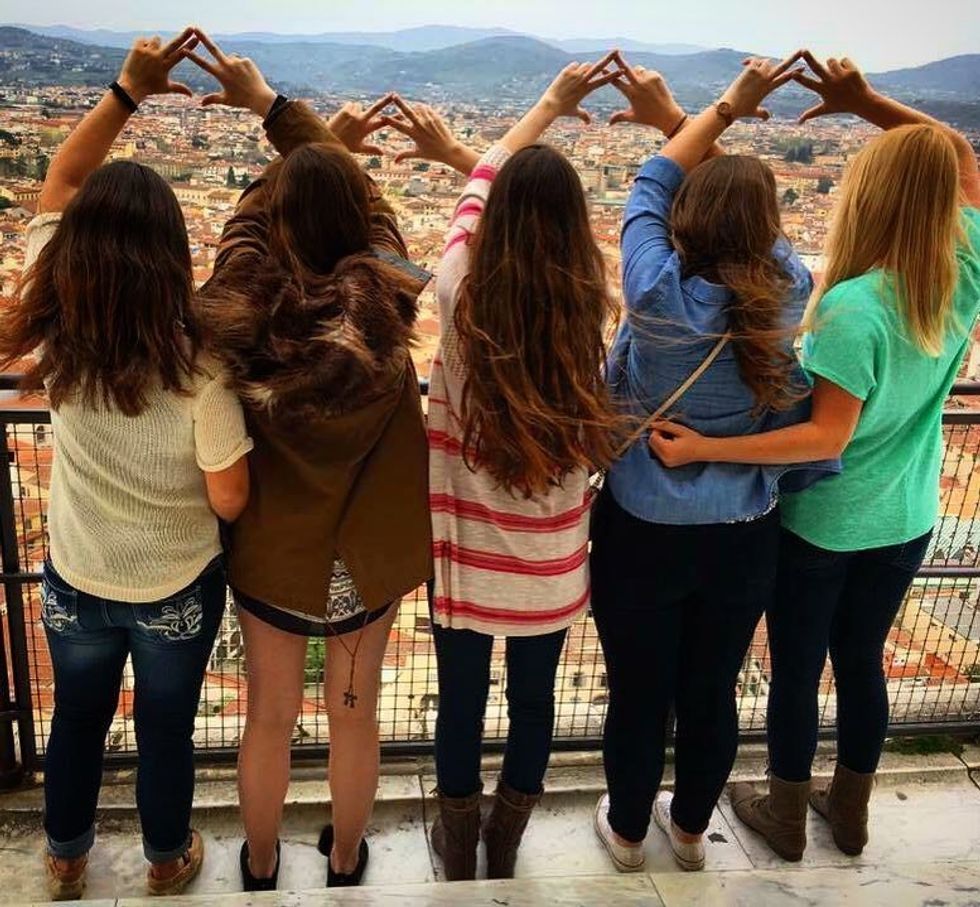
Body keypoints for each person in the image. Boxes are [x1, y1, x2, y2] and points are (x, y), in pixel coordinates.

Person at [649, 52, 980, 862]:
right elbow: (961, 159)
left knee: (797, 668)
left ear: (869, 197)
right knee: (862, 662)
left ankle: (789, 812)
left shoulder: (853, 308)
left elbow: (824, 438)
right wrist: (864, 100)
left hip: (826, 521)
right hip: (907, 514)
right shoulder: (964, 268)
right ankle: (851, 812)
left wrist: (707, 446)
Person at [0, 30, 253, 900]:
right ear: (172, 256)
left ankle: (66, 856)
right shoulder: (200, 367)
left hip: (77, 572)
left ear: (78, 250)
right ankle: (166, 859)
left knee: (76, 718)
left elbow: (60, 182)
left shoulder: (56, 326)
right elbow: (230, 495)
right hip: (175, 583)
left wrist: (128, 87)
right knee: (165, 729)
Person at [184, 32, 432, 890]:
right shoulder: (392, 295)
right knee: (354, 716)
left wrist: (270, 131)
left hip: (275, 555)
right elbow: (371, 204)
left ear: (277, 223)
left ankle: (259, 862)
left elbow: (246, 229)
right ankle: (347, 856)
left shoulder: (239, 311)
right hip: (364, 561)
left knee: (269, 716)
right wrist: (277, 109)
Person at [589, 51, 839, 874]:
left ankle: (629, 832)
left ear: (686, 219)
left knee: (638, 691)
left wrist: (723, 107)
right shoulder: (788, 288)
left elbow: (652, 183)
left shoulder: (655, 293)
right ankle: (692, 831)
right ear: (768, 224)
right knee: (712, 689)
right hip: (742, 530)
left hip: (643, 525)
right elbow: (735, 218)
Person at [380, 59, 620, 880]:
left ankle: (456, 840)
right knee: (533, 702)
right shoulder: (588, 311)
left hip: (466, 556)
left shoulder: (460, 293)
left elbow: (481, 177)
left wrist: (550, 101)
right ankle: (506, 834)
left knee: (460, 701)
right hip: (550, 563)